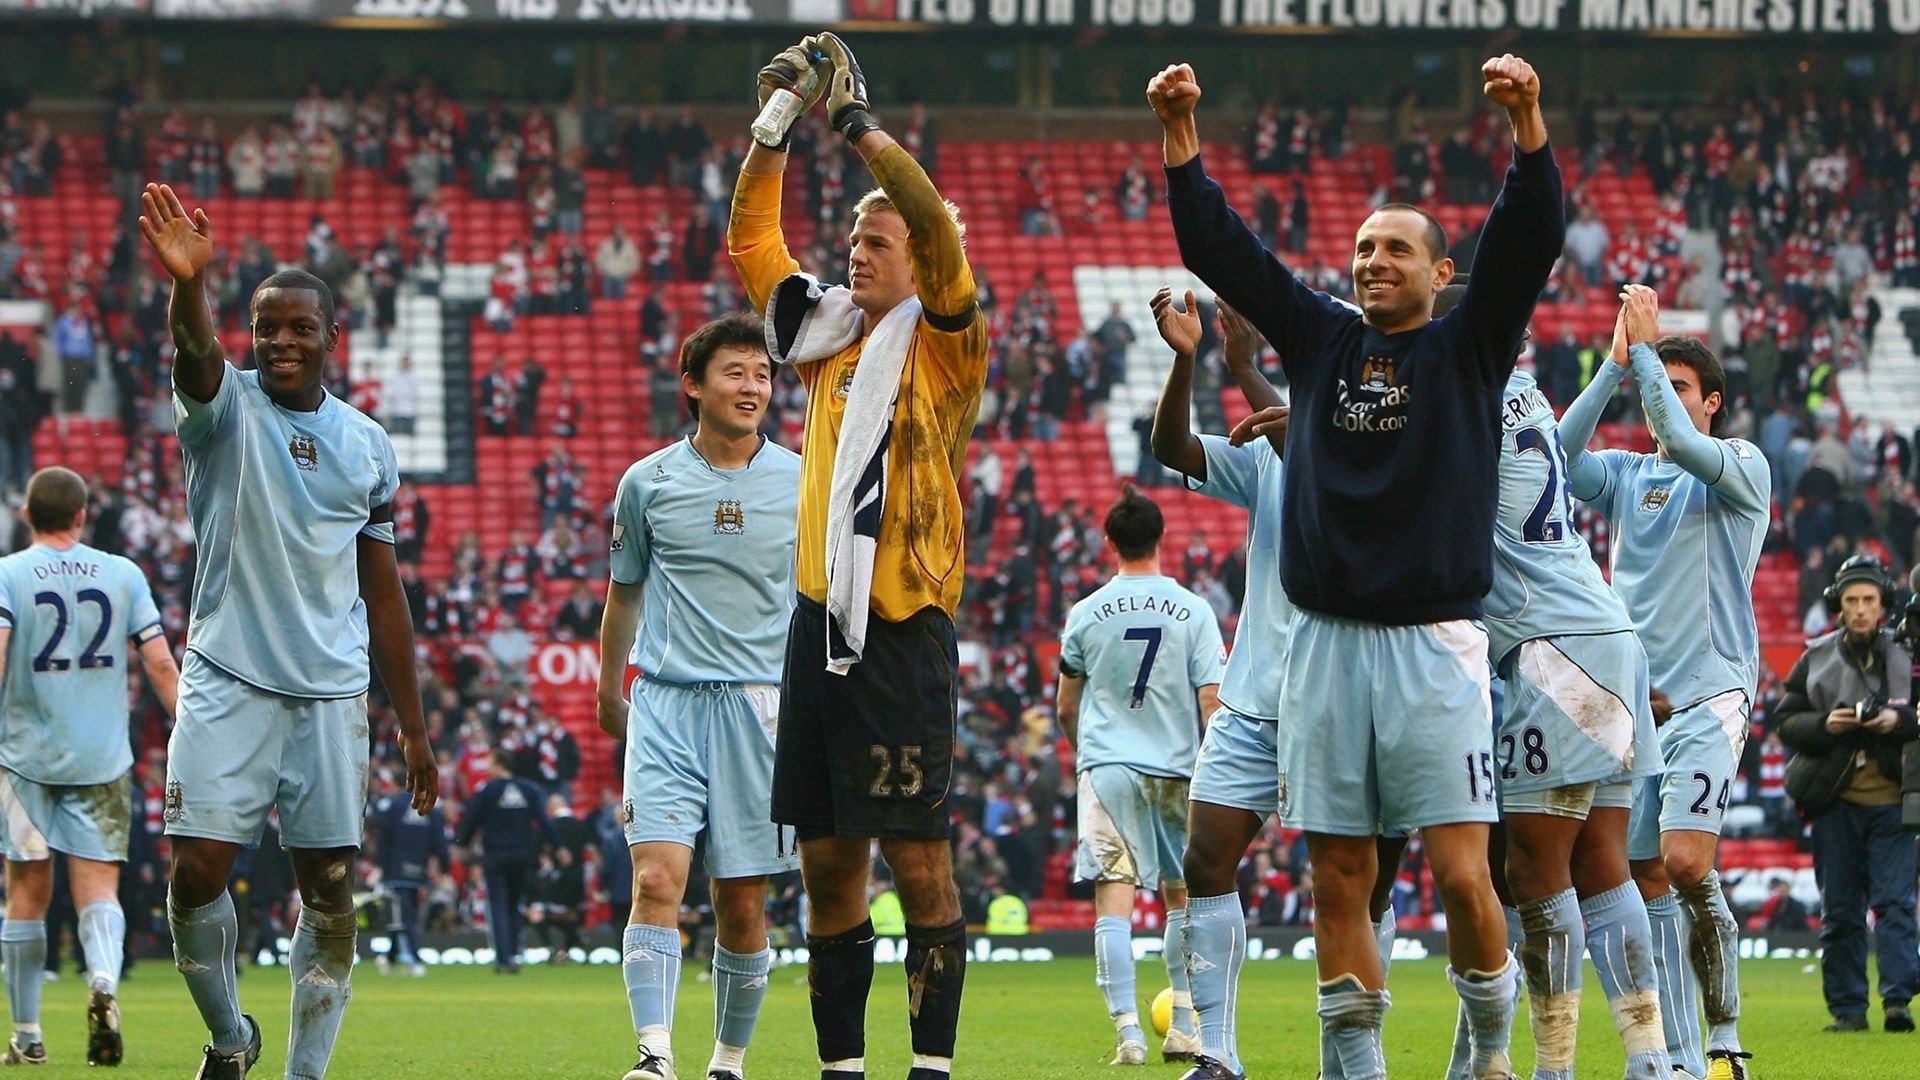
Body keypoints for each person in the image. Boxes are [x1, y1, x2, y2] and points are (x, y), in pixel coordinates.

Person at [1149, 53, 1562, 1079]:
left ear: (1439, 274)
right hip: (1325, 650)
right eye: (1365, 247)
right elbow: (1223, 251)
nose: (1374, 260)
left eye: (1397, 250)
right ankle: (1359, 1070)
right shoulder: (1323, 341)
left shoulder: (1471, 351)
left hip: (1435, 649)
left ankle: (1490, 1060)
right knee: (1339, 875)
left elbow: (1528, 239)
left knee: (1467, 875)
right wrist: (1182, 135)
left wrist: (1527, 129)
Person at [139, 182, 438, 1080]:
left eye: (300, 326)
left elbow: (384, 595)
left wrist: (415, 727)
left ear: (330, 337)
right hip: (228, 675)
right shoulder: (225, 409)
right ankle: (232, 1037)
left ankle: (306, 1073)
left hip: (331, 693)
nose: (281, 341)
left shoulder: (367, 445)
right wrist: (189, 286)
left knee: (333, 891)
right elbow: (196, 352)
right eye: (267, 325)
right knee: (197, 871)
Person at [730, 33, 985, 1080]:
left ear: (921, 260)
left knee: (921, 862)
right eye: (852, 239)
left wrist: (858, 127)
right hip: (815, 623)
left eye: (876, 241)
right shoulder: (823, 337)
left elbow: (925, 213)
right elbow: (752, 237)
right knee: (828, 865)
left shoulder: (947, 340)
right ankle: (842, 1069)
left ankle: (930, 1067)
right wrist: (779, 118)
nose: (857, 251)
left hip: (904, 626)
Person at [1560, 285, 1770, 1080]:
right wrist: (1617, 366)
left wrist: (1647, 352)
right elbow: (1557, 456)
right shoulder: (1622, 473)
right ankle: (1682, 1058)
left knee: (1684, 865)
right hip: (1635, 707)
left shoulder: (1739, 466)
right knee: (1646, 881)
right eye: (1663, 385)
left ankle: (1724, 1028)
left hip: (1711, 695)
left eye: (1682, 388)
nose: (1666, 400)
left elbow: (1680, 443)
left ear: (1711, 402)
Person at [595, 312, 801, 1080]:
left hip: (761, 707)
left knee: (742, 905)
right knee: (655, 879)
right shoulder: (646, 483)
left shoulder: (802, 478)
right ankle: (654, 1055)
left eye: (762, 374)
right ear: (694, 385)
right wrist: (609, 689)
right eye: (735, 372)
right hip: (668, 702)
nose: (752, 386)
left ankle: (728, 1060)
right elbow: (624, 592)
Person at [1472, 277, 1669, 1080]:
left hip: (1551, 646)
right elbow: (1561, 442)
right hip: (1609, 633)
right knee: (1602, 863)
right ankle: (1649, 1059)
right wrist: (1613, 369)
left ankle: (1553, 1068)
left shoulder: (1468, 409)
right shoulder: (1524, 396)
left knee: (1531, 868)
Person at [1146, 293, 1289, 1080]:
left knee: (1360, 879)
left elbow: (1325, 459)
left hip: (1345, 688)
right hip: (1256, 689)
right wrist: (1188, 360)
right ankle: (1220, 1056)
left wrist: (1244, 366)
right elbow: (1172, 447)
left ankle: (1358, 1051)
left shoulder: (1379, 439)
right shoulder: (1270, 440)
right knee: (1206, 860)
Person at [0, 467, 180, 1067]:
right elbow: (157, 664)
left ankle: (27, 1038)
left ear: (27, 514)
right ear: (83, 516)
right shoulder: (123, 574)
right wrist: (190, 727)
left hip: (24, 759)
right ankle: (102, 978)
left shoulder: (7, 574)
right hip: (101, 756)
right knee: (98, 886)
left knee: (25, 891)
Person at [1056, 485, 1224, 1066]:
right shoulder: (1195, 610)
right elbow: (1212, 701)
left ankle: (1128, 1034)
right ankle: (1183, 1024)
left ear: (1109, 542)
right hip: (1178, 767)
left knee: (1114, 897)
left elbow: (1064, 706)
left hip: (1108, 766)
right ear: (1162, 537)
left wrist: (1090, 755)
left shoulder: (1085, 613)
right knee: (1182, 898)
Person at [1774, 555, 1917, 1034]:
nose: (1860, 609)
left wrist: (1899, 721)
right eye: (1852, 601)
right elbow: (1785, 722)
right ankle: (1849, 1010)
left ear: (1884, 605)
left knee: (1895, 903)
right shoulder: (1815, 655)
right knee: (1839, 910)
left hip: (1895, 802)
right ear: (1838, 605)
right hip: (1835, 803)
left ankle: (1898, 1003)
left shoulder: (1910, 654)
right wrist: (1825, 724)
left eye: (1868, 601)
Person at [456, 749, 548, 976]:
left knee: (498, 906)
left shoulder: (488, 790)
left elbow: (472, 821)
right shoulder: (529, 789)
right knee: (516, 903)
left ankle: (503, 957)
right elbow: (544, 821)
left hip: (496, 856)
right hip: (522, 855)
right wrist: (557, 846)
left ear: (498, 764)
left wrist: (461, 844)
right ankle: (516, 952)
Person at [368, 780, 450, 979]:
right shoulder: (430, 807)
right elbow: (440, 842)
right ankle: (392, 957)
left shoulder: (394, 806)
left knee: (403, 916)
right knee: (405, 914)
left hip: (396, 870)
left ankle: (414, 960)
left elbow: (383, 838)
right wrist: (444, 868)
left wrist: (380, 866)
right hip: (419, 871)